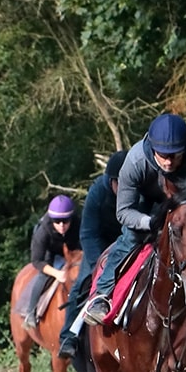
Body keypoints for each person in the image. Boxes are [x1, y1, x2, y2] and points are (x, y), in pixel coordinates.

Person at [84, 112, 186, 324]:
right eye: (162, 154)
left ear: (185, 149)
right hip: (145, 205)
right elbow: (124, 211)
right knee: (130, 239)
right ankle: (101, 295)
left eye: (175, 155)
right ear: (152, 148)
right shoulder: (135, 161)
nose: (168, 161)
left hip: (185, 206)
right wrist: (150, 222)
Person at [58, 149, 127, 357]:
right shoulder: (97, 193)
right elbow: (88, 233)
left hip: (130, 240)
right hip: (99, 242)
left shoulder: (140, 187)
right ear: (111, 180)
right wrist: (102, 263)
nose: (126, 190)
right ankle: (69, 335)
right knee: (82, 283)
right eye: (121, 185)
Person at [18, 194, 80, 329]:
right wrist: (57, 273)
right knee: (43, 276)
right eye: (57, 221)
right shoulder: (42, 232)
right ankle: (30, 312)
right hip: (50, 254)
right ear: (51, 220)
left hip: (73, 250)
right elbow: (36, 261)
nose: (62, 225)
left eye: (65, 221)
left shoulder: (78, 224)